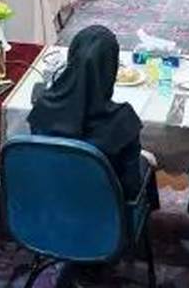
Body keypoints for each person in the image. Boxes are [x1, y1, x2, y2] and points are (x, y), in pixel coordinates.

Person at [29, 25, 152, 200]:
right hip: (104, 208)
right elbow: (131, 189)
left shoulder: (42, 106)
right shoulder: (122, 120)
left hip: (48, 200)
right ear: (111, 68)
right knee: (146, 165)